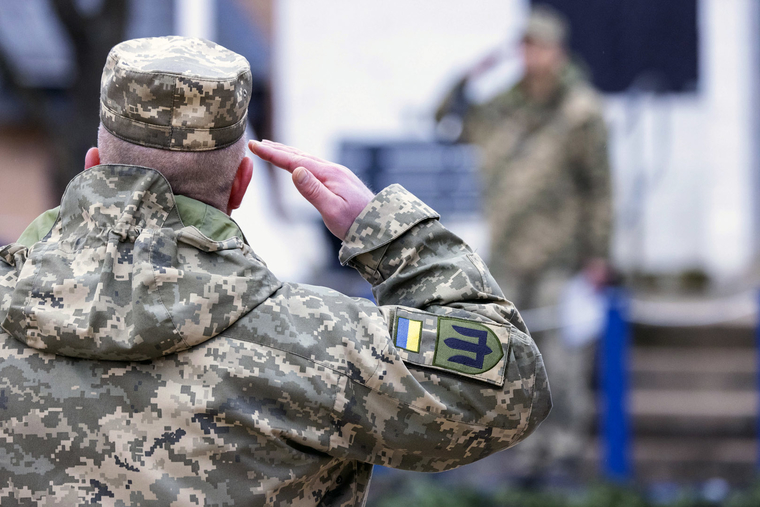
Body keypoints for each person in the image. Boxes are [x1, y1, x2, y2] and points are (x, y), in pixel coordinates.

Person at [0, 36, 550, 506]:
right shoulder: (319, 342)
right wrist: (389, 232)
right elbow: (510, 383)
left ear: (94, 168)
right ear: (241, 185)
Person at [436, 5, 612, 481]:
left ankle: (566, 451)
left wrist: (599, 254)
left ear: (559, 52)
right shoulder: (500, 108)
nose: (533, 56)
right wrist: (465, 77)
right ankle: (526, 454)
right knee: (511, 357)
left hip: (561, 256)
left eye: (541, 47)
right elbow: (445, 123)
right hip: (509, 255)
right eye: (527, 46)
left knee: (560, 358)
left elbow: (599, 186)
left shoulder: (580, 111)